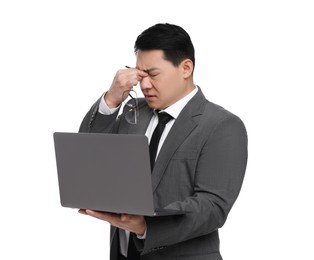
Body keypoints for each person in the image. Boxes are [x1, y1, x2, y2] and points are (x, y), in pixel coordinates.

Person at [78, 23, 248, 260]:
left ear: (186, 68)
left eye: (153, 74)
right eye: (140, 75)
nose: (144, 85)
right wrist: (111, 100)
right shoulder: (131, 112)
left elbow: (213, 207)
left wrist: (146, 226)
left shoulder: (222, 125)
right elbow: (86, 156)